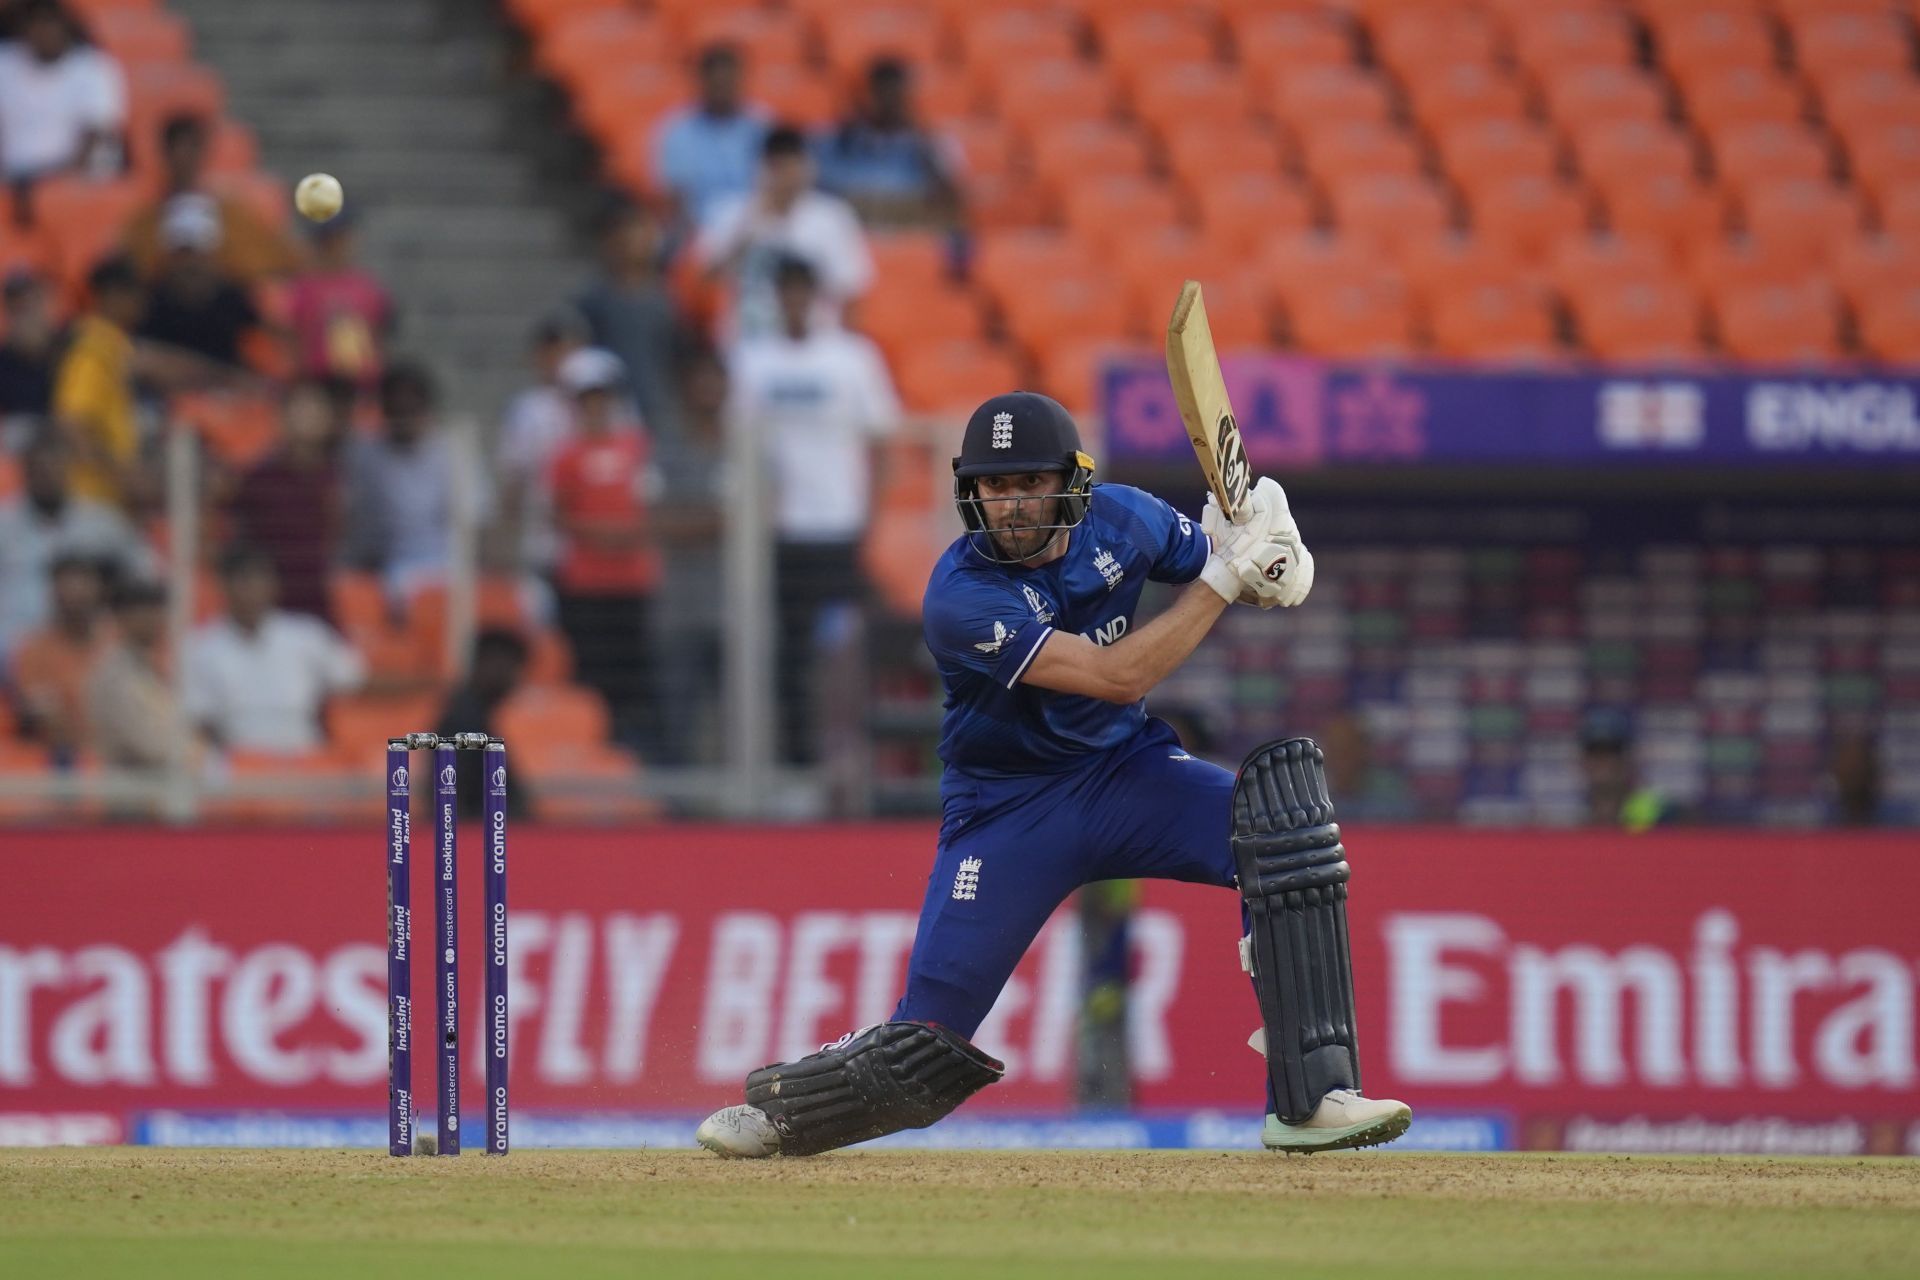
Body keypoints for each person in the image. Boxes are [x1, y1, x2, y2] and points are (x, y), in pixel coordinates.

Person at [697, 391, 1410, 1159]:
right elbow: (1117, 675)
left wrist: (1272, 557)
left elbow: (1220, 559)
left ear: (1071, 482)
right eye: (993, 487)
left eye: (1028, 482)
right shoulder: (960, 596)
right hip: (1008, 813)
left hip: (1125, 775)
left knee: (1280, 826)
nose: (1009, 504)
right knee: (926, 1046)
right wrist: (1232, 579)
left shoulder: (1127, 518)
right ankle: (785, 1114)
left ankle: (1309, 1099)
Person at [727, 256, 898, 764]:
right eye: (786, 291)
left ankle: (844, 758)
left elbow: (884, 442)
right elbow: (742, 447)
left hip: (840, 528)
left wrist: (872, 517)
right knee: (785, 653)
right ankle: (794, 758)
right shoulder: (752, 361)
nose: (794, 302)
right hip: (781, 533)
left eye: (802, 291)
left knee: (843, 651)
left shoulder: (852, 358)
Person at [546, 346, 662, 755]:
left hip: (632, 578)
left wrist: (627, 534)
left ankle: (631, 749)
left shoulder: (638, 446)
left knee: (634, 673)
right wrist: (602, 533)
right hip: (587, 579)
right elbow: (557, 513)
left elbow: (653, 502)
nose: (596, 407)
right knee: (592, 671)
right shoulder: (566, 455)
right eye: (588, 400)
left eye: (603, 398)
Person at [183, 545, 365, 755]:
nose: (252, 591)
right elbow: (199, 720)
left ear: (274, 585)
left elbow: (356, 681)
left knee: (391, 756)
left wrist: (412, 684)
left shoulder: (306, 634)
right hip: (238, 763)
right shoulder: (200, 646)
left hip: (306, 756)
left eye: (260, 580)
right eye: (243, 581)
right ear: (224, 586)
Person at [695, 125, 872, 340]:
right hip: (747, 341)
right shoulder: (729, 214)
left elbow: (850, 294)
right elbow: (703, 285)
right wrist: (751, 224)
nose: (788, 176)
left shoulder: (832, 218)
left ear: (808, 166)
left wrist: (839, 353)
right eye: (778, 167)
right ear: (762, 168)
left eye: (794, 165)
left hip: (814, 342)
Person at [340, 361, 490, 599]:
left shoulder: (454, 449)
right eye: (396, 409)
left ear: (426, 407)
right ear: (384, 409)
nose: (404, 416)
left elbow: (474, 520)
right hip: (381, 562)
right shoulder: (363, 452)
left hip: (442, 561)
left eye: (411, 408)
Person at [0, 426, 148, 660]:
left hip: (88, 644)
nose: (47, 474)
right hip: (11, 647)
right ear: (25, 470)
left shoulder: (102, 521)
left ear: (68, 468)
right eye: (39, 468)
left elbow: (144, 575)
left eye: (55, 466)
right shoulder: (4, 523)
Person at [122, 112, 300, 285]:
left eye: (192, 147)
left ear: (203, 152)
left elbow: (278, 259)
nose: (185, 157)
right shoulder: (147, 222)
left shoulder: (231, 213)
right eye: (178, 148)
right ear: (165, 153)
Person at [226, 376, 350, 622]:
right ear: (281, 416)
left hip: (321, 600)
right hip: (268, 605)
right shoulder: (257, 478)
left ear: (329, 420)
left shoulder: (342, 478)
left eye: (315, 409)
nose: (307, 417)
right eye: (300, 408)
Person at [573, 204, 686, 447]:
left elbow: (676, 355)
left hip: (659, 403)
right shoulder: (595, 299)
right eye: (627, 234)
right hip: (613, 407)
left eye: (641, 233)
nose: (635, 242)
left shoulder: (666, 300)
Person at [815, 58, 962, 230]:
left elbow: (952, 202)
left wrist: (923, 144)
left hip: (907, 233)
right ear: (867, 95)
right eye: (882, 95)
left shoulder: (933, 143)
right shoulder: (837, 141)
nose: (889, 105)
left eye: (896, 96)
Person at [496, 312, 585, 581]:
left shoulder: (601, 406)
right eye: (557, 352)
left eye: (572, 352)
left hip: (589, 541)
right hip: (542, 541)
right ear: (541, 356)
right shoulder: (526, 410)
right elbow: (513, 477)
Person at [0, 0, 124, 189]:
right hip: (13, 178)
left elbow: (97, 134)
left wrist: (58, 183)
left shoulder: (94, 69)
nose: (42, 32)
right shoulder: (5, 64)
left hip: (74, 181)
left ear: (64, 26)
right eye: (36, 24)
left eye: (49, 24)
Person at [86, 575, 204, 773]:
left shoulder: (147, 667)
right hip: (130, 790)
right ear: (119, 616)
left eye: (157, 608)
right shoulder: (114, 674)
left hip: (161, 784)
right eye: (142, 610)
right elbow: (148, 745)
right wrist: (200, 755)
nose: (152, 617)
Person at [52, 255, 144, 507]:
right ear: (113, 294)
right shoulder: (93, 350)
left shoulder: (113, 346)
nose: (142, 302)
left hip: (105, 500)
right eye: (135, 293)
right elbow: (72, 423)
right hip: (91, 498)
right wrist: (119, 474)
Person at [136, 194, 265, 369]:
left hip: (227, 392)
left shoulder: (233, 297)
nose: (191, 262)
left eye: (199, 252)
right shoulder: (148, 299)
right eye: (183, 252)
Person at [651, 42, 768, 231]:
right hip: (701, 230)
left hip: (758, 226)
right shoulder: (677, 131)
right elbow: (676, 198)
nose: (724, 89)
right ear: (702, 82)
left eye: (729, 81)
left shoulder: (763, 124)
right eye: (717, 83)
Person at [6, 551, 111, 757]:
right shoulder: (33, 649)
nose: (74, 598)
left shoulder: (117, 643)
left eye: (82, 591)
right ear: (53, 595)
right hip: (61, 757)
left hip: (119, 755)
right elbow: (43, 712)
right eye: (66, 591)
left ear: (99, 591)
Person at [434, 626, 535, 820]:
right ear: (489, 664)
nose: (516, 680)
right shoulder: (463, 721)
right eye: (513, 668)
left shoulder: (476, 715)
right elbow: (452, 797)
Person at [285, 210, 391, 390]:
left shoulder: (367, 286)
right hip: (318, 379)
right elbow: (294, 337)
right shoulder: (303, 287)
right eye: (330, 241)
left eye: (342, 239)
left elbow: (379, 333)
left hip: (362, 380)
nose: (338, 247)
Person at [0, 269, 66, 420]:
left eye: (30, 304)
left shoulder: (69, 343)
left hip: (68, 428)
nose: (25, 316)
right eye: (17, 308)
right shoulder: (4, 359)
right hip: (22, 434)